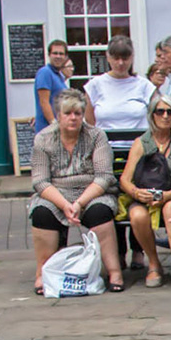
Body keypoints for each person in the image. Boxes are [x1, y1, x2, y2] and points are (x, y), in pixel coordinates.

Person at [30, 88, 124, 293]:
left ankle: (114, 271)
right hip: (56, 192)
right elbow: (40, 181)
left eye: (78, 113)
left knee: (100, 212)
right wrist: (64, 205)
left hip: (91, 191)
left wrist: (79, 202)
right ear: (58, 116)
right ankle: (41, 273)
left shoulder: (96, 136)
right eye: (68, 113)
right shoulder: (43, 139)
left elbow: (104, 176)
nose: (73, 118)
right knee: (41, 213)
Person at [118, 95, 171, 294]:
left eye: (170, 112)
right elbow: (125, 180)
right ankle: (154, 263)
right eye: (160, 111)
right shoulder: (141, 143)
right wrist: (137, 192)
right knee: (137, 215)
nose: (165, 116)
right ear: (152, 115)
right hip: (145, 195)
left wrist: (169, 195)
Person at [85, 35, 155, 131]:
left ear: (132, 57)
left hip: (138, 143)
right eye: (116, 58)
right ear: (108, 57)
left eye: (125, 58)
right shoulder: (94, 86)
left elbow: (157, 120)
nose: (120, 63)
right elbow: (90, 124)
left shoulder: (145, 86)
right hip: (105, 144)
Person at [32, 40, 72, 134]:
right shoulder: (45, 72)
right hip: (48, 130)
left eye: (61, 54)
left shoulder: (58, 75)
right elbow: (44, 101)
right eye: (55, 53)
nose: (58, 56)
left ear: (65, 57)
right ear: (49, 55)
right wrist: (53, 123)